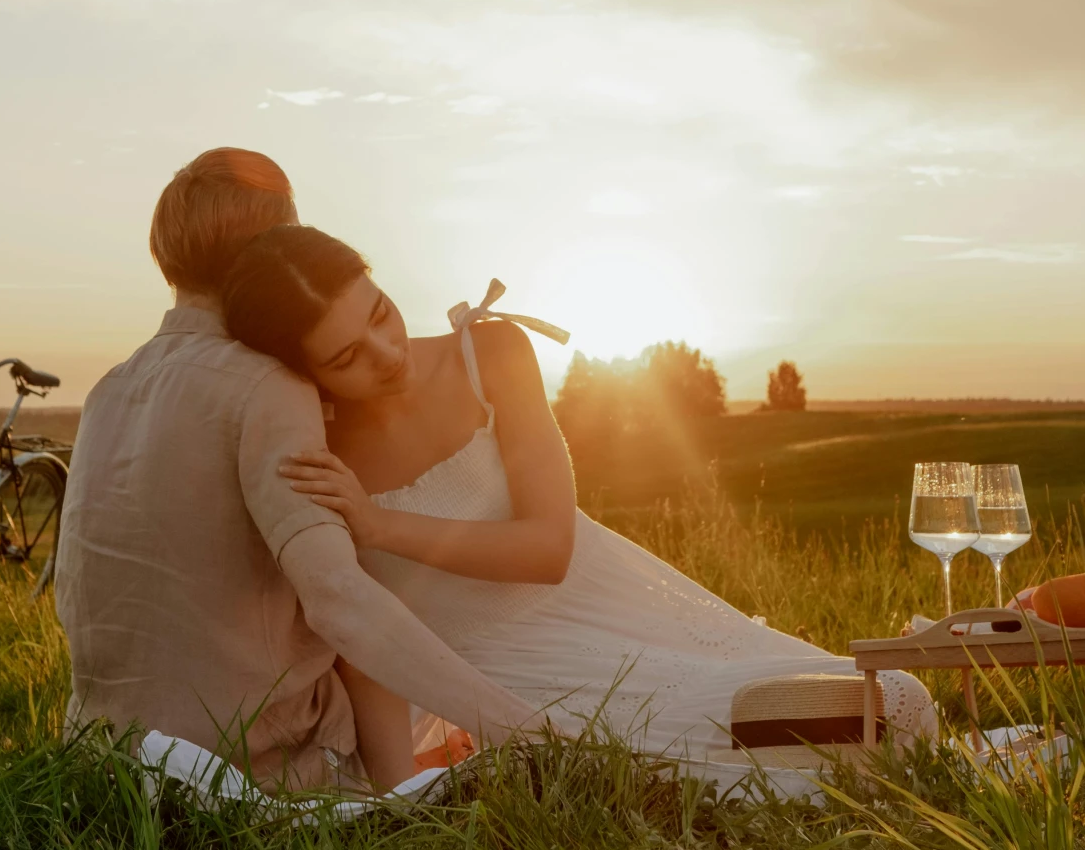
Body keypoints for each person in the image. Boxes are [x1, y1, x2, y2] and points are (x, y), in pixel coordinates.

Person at [220, 224, 939, 773]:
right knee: (868, 731)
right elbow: (365, 641)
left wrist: (378, 524)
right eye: (345, 357)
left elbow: (546, 548)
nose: (386, 353)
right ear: (302, 372)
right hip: (523, 686)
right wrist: (397, 793)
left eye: (378, 313)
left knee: (898, 703)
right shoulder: (320, 459)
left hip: (629, 614)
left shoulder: (490, 353)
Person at [54, 149, 550, 796]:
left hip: (100, 761)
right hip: (255, 767)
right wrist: (533, 738)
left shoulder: (109, 391)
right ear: (269, 254)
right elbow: (342, 604)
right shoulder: (264, 385)